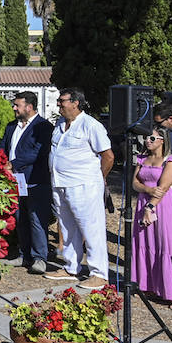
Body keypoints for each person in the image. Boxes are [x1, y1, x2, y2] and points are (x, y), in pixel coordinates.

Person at [47, 88, 114, 290]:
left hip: (84, 185)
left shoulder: (91, 125)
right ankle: (71, 267)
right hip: (60, 183)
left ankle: (99, 273)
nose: (59, 104)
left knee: (91, 228)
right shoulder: (60, 125)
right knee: (67, 227)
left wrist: (98, 178)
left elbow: (108, 156)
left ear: (75, 103)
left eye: (62, 101)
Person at [130, 128, 172, 309]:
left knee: (169, 246)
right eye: (146, 138)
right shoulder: (142, 159)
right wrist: (147, 190)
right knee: (147, 244)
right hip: (143, 202)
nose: (147, 141)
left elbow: (164, 187)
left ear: (162, 140)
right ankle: (151, 285)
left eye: (152, 138)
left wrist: (150, 206)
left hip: (163, 206)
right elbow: (134, 182)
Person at [2, 91, 54, 274]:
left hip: (36, 180)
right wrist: (1, 164)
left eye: (17, 105)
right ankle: (24, 255)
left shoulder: (44, 127)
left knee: (36, 219)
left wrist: (13, 164)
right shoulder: (11, 127)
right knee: (20, 217)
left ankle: (40, 258)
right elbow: (4, 148)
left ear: (29, 107)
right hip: (15, 180)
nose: (14, 108)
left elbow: (38, 152)